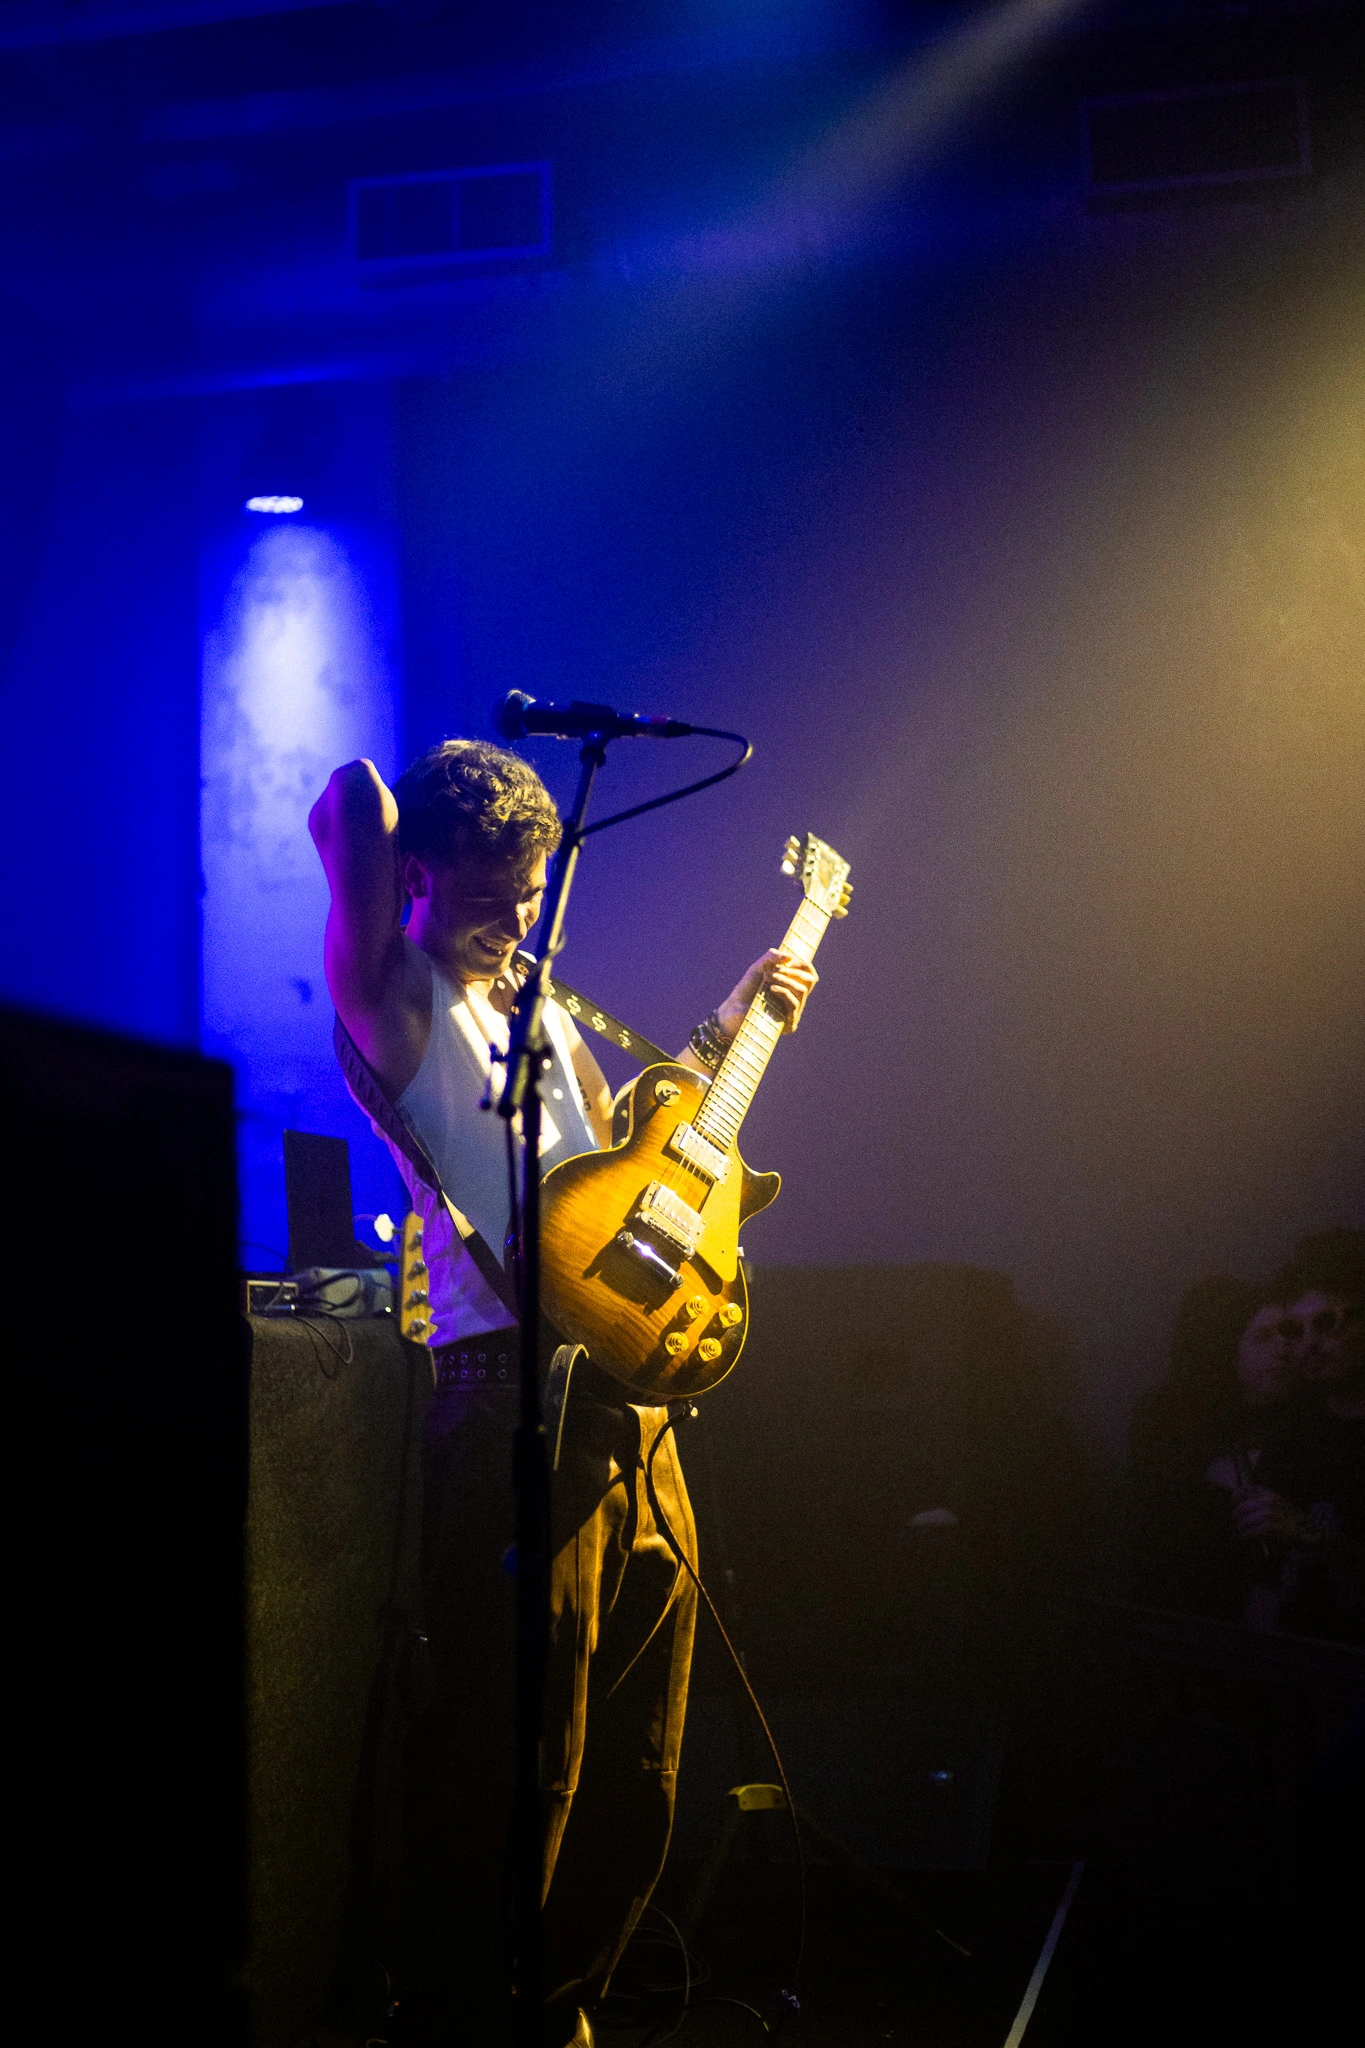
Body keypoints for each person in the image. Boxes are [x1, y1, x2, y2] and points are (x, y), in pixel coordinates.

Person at [308, 740, 817, 2048]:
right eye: (490, 895)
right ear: (418, 878)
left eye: (532, 894)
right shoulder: (391, 993)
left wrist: (728, 1022)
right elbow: (348, 800)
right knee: (518, 1760)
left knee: (638, 1766)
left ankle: (564, 2013)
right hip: (502, 1397)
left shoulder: (543, 1012)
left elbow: (612, 1166)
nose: (516, 921)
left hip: (632, 1407)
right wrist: (448, 814)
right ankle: (467, 2018)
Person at [1232, 1229, 1365, 1642]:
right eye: (1296, 1330)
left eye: (1326, 1323)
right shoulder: (1291, 1432)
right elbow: (1267, 1581)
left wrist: (1309, 1533)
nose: (1308, 1346)